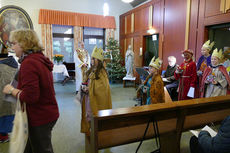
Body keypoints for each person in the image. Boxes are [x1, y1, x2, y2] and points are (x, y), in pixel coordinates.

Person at [3, 29, 59, 153]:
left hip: (40, 116)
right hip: (47, 112)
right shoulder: (38, 58)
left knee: (42, 149)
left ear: (23, 44)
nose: (12, 47)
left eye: (14, 43)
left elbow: (31, 97)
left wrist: (12, 90)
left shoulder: (29, 63)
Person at [80, 46, 112, 135]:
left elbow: (102, 89)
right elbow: (86, 81)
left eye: (94, 59)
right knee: (88, 115)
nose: (92, 60)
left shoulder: (102, 73)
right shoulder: (91, 69)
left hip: (96, 100)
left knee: (94, 116)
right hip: (88, 98)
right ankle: (90, 132)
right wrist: (84, 86)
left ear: (99, 60)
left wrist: (89, 89)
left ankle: (97, 134)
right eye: (92, 58)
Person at [0, 42, 18, 143]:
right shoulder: (14, 64)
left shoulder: (2, 66)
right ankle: (4, 134)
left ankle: (3, 135)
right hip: (12, 98)